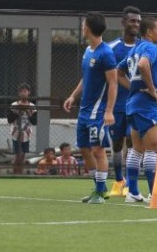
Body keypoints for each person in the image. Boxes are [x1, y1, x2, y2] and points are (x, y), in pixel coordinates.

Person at [63, 11, 118, 204]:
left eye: (83, 24)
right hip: (84, 111)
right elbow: (86, 78)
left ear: (88, 28)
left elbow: (113, 83)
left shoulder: (106, 53)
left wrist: (109, 110)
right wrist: (72, 95)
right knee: (85, 149)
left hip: (98, 112)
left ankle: (101, 190)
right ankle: (99, 189)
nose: (81, 27)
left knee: (98, 150)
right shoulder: (88, 51)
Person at [116, 16, 157, 203]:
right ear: (149, 32)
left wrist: (133, 88)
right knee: (153, 148)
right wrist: (153, 91)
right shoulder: (150, 47)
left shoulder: (134, 49)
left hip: (132, 105)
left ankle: (133, 192)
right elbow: (144, 65)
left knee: (137, 149)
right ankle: (155, 194)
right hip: (145, 105)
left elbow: (118, 73)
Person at [107, 5, 141, 196]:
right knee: (118, 143)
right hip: (118, 106)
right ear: (123, 23)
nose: (135, 24)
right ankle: (119, 181)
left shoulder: (143, 47)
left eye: (138, 21)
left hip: (136, 105)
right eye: (132, 20)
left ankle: (131, 182)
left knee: (133, 140)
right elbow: (111, 77)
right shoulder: (112, 48)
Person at [7, 83, 38, 174]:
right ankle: (15, 172)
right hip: (16, 132)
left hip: (26, 133)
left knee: (23, 154)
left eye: (25, 91)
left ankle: (20, 172)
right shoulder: (14, 104)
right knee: (18, 154)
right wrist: (18, 111)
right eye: (21, 92)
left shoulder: (32, 106)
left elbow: (34, 122)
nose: (23, 93)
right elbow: (10, 120)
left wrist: (28, 112)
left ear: (29, 92)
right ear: (18, 93)